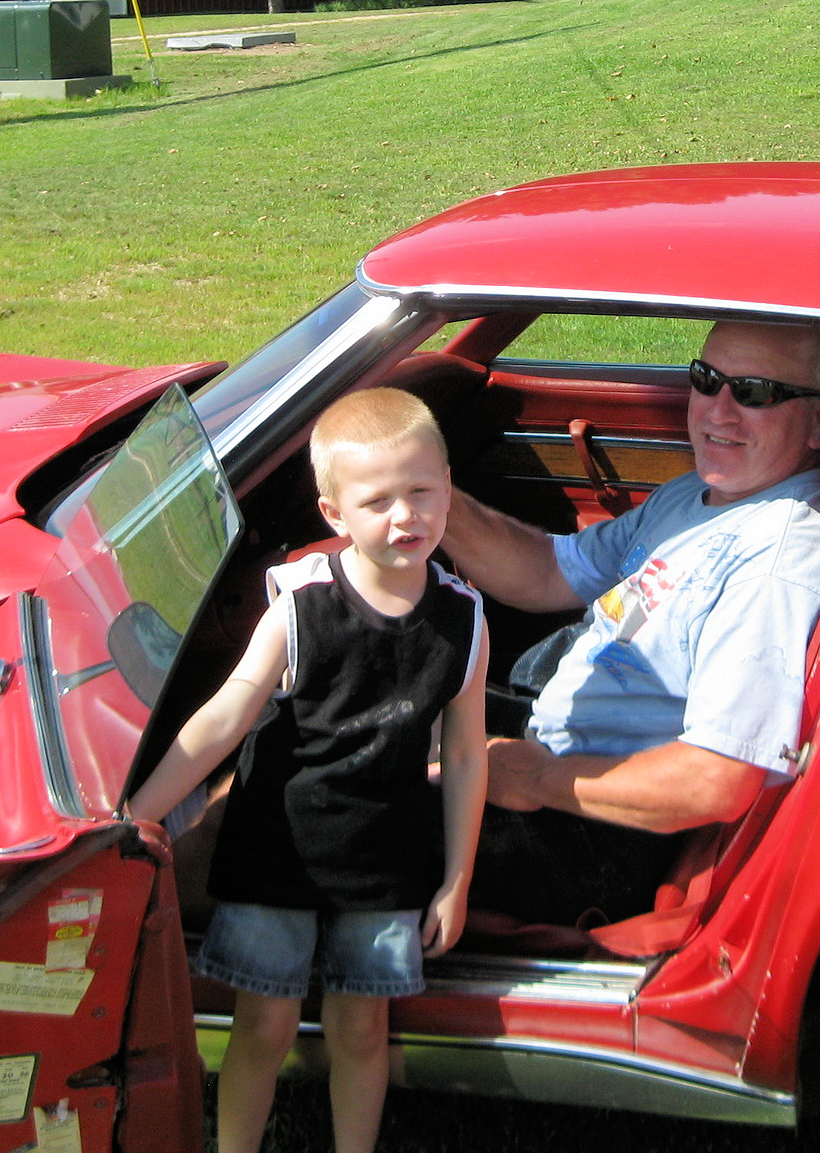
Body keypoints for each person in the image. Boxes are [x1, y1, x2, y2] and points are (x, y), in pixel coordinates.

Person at [127, 388, 488, 1153]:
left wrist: (455, 879)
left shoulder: (464, 619)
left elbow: (463, 754)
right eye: (377, 500)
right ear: (334, 515)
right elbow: (224, 717)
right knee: (263, 1026)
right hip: (274, 856)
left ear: (449, 486)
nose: (405, 516)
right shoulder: (299, 606)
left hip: (386, 867)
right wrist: (139, 817)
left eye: (422, 491)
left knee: (363, 1032)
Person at [441, 319, 820, 926]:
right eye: (706, 381)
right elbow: (548, 573)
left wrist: (539, 779)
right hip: (557, 743)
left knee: (323, 823)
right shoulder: (696, 498)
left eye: (755, 392)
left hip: (602, 833)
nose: (718, 412)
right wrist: (427, 496)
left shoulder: (775, 563)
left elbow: (716, 778)